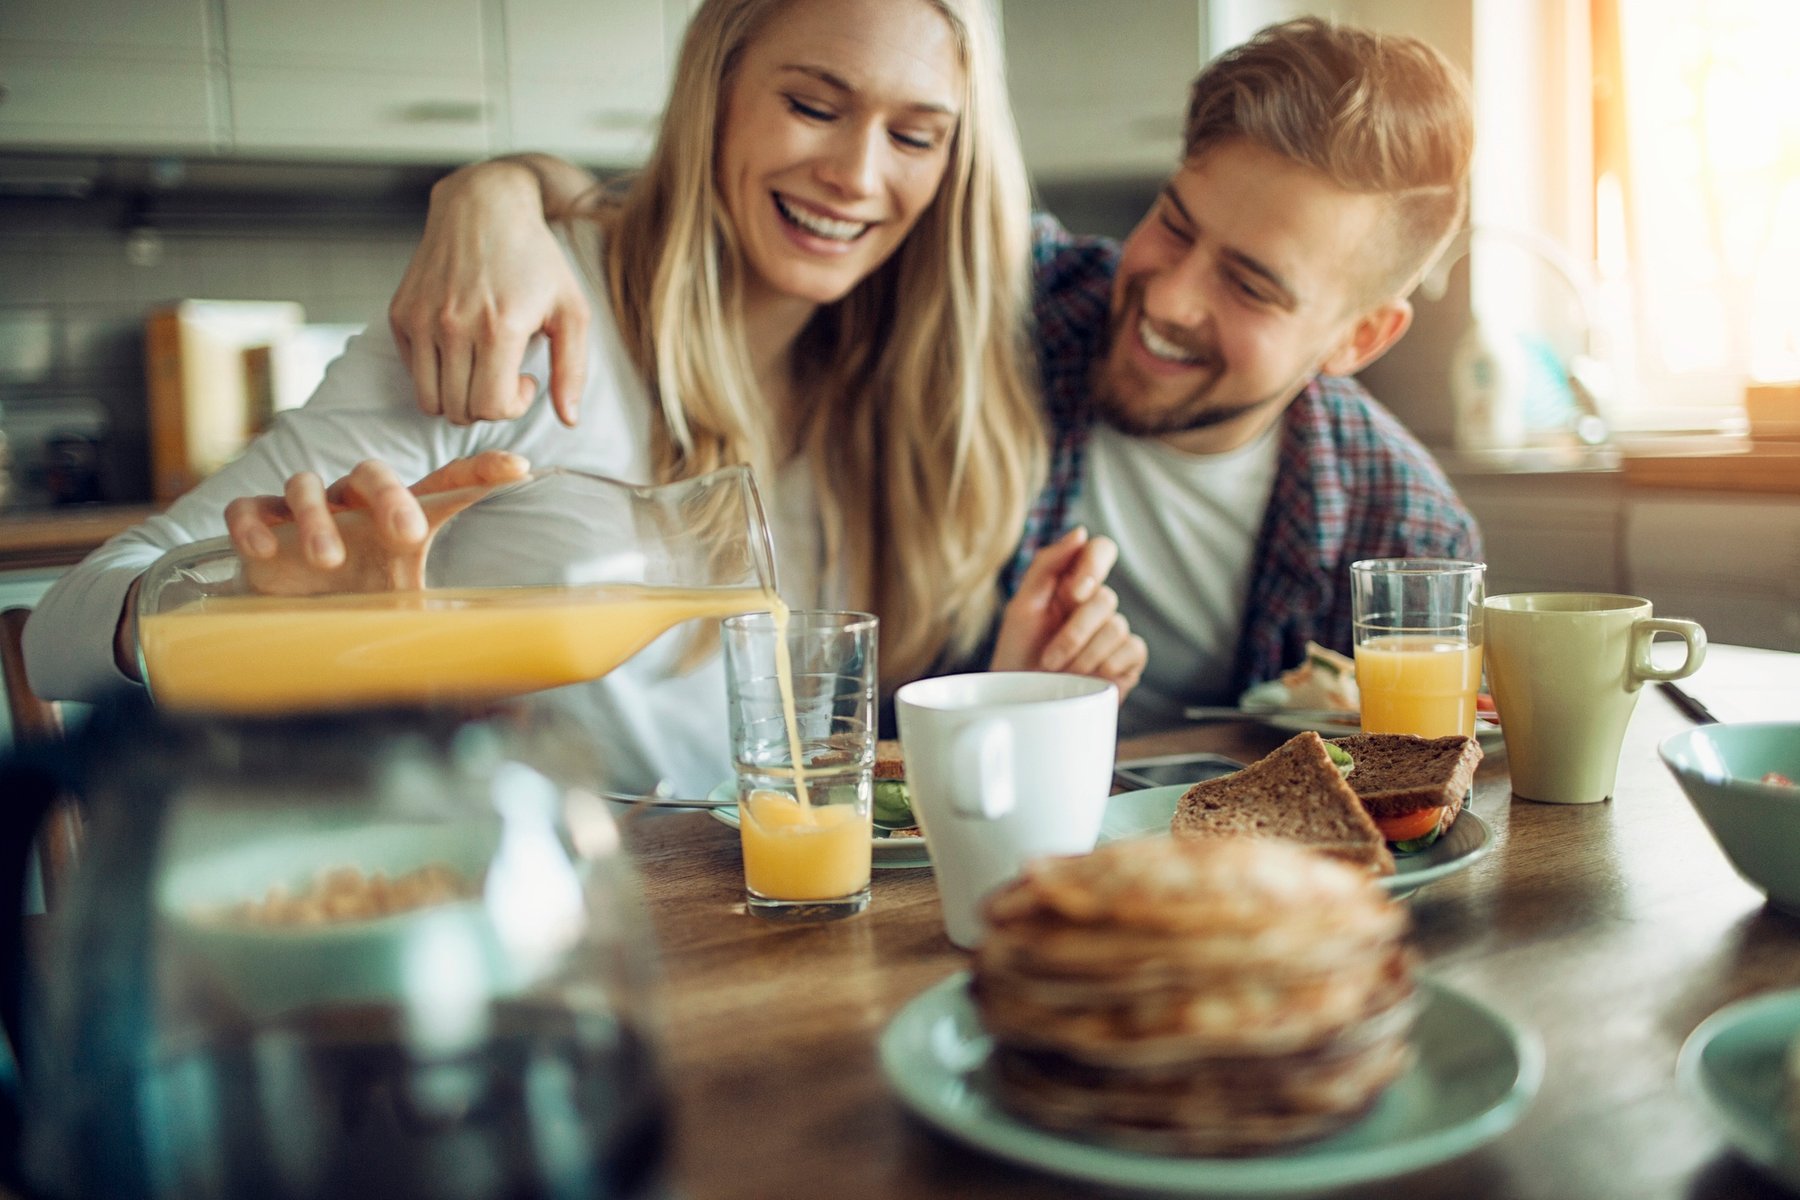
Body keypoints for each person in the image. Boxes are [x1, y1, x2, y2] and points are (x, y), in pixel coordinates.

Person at [23, 0, 1145, 795]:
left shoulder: (910, 394)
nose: (857, 174)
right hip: (538, 935)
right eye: (812, 104)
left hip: (764, 965)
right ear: (719, 95)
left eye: (914, 135)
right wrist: (268, 610)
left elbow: (806, 781)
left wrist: (1004, 688)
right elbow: (62, 631)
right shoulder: (520, 324)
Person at [388, 16, 1483, 733]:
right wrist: (497, 189)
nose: (1168, 295)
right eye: (1173, 224)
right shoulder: (1011, 305)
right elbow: (737, 212)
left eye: (1251, 285)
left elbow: (1420, 805)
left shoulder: (1405, 537)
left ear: (1358, 339)